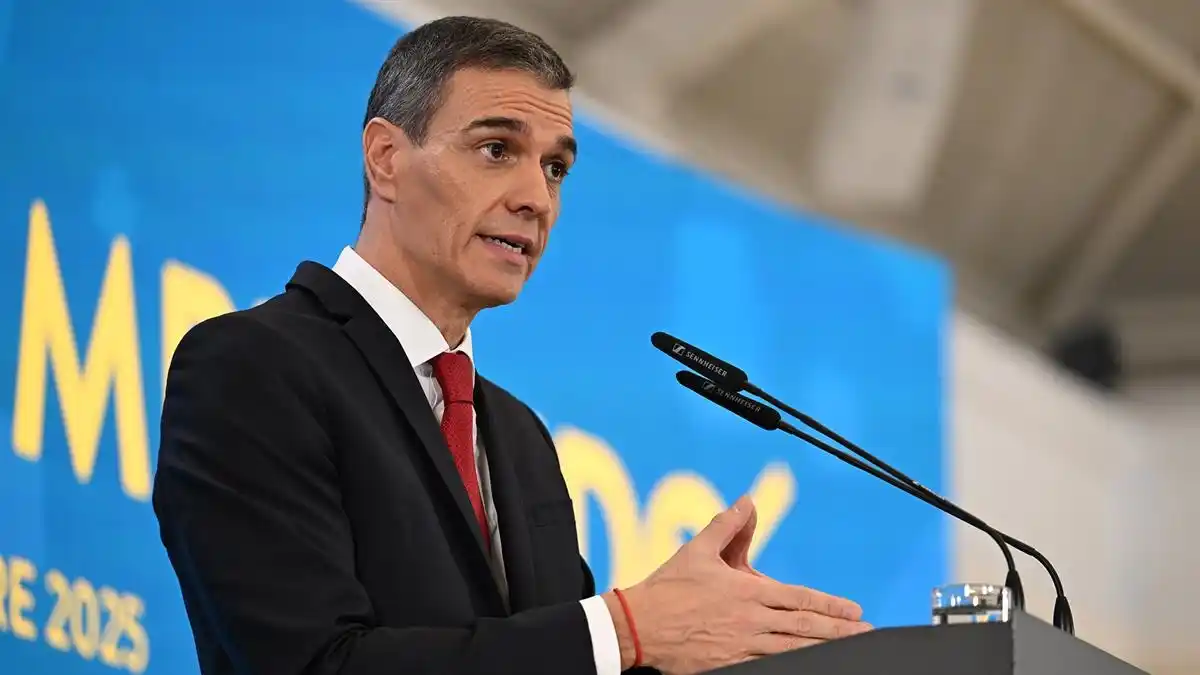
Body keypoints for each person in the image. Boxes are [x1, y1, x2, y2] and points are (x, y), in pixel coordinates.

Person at [152, 15, 871, 675]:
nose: (537, 198)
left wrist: (704, 645)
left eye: (555, 168)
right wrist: (627, 628)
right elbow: (313, 664)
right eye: (497, 150)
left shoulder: (520, 437)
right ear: (386, 158)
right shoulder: (251, 366)